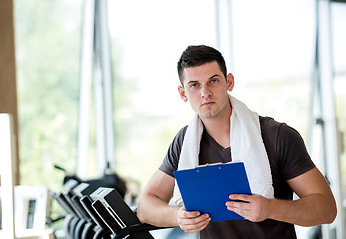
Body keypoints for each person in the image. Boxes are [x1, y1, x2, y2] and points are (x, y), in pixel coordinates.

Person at [136, 45, 337, 238]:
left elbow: (326, 209)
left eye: (213, 81)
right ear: (183, 93)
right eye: (194, 85)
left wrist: (270, 208)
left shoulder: (278, 136)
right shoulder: (184, 142)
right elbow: (145, 207)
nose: (205, 93)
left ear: (229, 82)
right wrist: (177, 216)